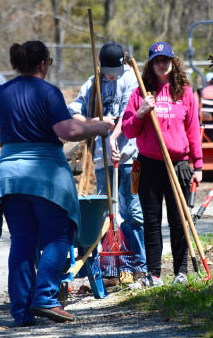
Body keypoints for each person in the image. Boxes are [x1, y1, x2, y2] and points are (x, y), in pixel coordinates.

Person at [0, 41, 113, 326]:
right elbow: (68, 130)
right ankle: (46, 298)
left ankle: (21, 312)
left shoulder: (1, 92)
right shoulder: (48, 92)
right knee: (57, 238)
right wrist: (97, 128)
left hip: (10, 176)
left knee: (23, 243)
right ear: (42, 65)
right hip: (46, 174)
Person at [121, 42, 203, 288]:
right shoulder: (140, 93)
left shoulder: (185, 93)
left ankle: (181, 273)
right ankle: (154, 275)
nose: (162, 63)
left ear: (173, 61)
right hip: (149, 165)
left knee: (179, 221)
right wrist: (142, 111)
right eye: (157, 60)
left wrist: (197, 166)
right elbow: (128, 129)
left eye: (166, 59)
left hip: (178, 166)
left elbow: (193, 131)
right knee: (151, 221)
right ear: (150, 64)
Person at [67, 41, 146, 287]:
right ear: (99, 64)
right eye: (108, 70)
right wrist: (95, 122)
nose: (113, 75)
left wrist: (113, 138)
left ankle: (140, 268)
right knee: (108, 217)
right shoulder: (93, 83)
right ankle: (111, 270)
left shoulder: (131, 78)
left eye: (116, 70)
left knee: (132, 213)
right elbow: (73, 112)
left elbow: (127, 114)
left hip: (129, 158)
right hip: (102, 162)